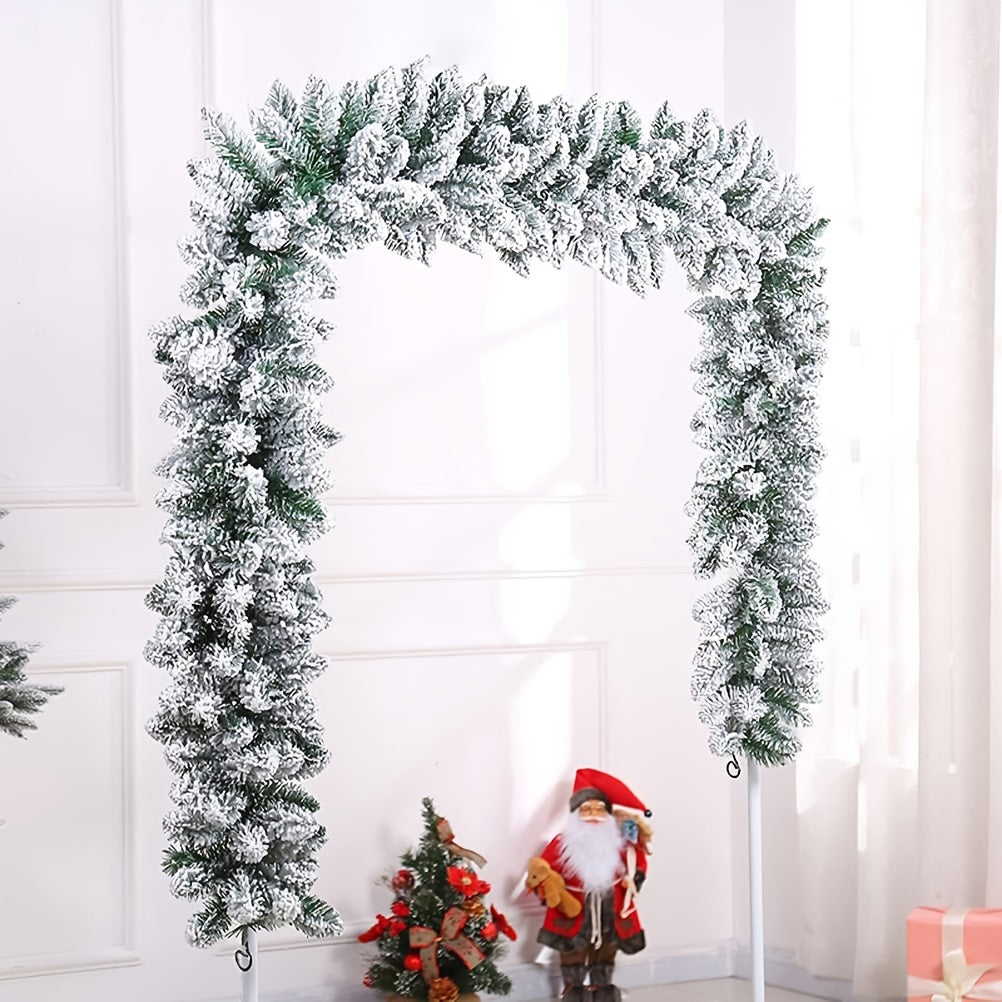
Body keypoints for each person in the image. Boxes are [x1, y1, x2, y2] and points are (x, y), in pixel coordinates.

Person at [527, 768, 653, 1002]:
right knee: (572, 950)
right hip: (574, 907)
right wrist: (548, 886)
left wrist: (635, 878)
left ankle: (601, 986)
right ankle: (573, 988)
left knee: (607, 948)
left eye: (599, 809)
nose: (593, 815)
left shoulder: (620, 841)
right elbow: (542, 870)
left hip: (611, 905)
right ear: (575, 814)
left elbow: (638, 861)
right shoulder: (561, 843)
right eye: (586, 810)